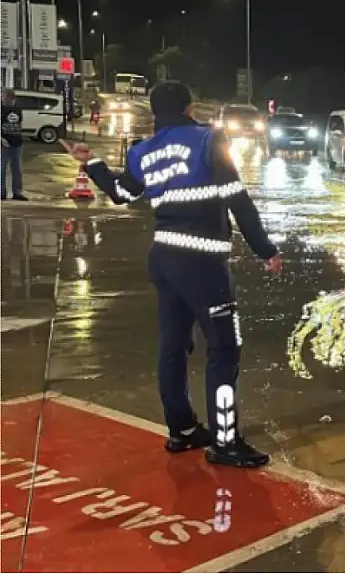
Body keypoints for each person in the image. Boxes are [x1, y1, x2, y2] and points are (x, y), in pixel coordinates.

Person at [60, 81, 281, 469]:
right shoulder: (208, 140)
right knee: (224, 349)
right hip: (204, 262)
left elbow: (122, 194)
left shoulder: (142, 150)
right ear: (189, 107)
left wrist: (91, 163)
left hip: (164, 258)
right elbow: (237, 199)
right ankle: (225, 443)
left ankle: (182, 430)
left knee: (173, 347)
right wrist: (265, 249)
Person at [1, 89, 28, 201]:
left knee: (17, 168)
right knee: (1, 168)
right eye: (5, 97)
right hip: (3, 144)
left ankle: (17, 192)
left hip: (17, 143)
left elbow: (19, 123)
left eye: (10, 99)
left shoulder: (17, 109)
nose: (6, 100)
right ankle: (1, 192)